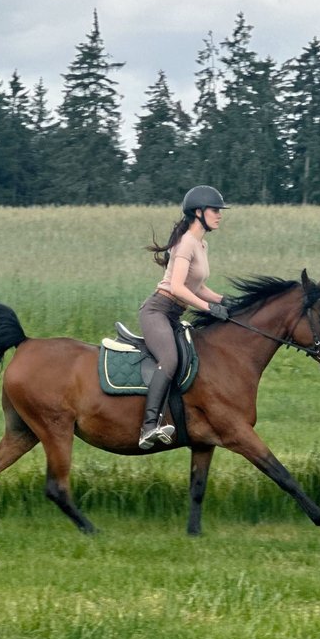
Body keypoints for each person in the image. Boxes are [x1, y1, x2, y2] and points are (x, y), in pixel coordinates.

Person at [136, 185, 231, 448]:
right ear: (198, 212)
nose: (219, 215)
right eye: (215, 210)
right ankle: (148, 427)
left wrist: (222, 300)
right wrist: (208, 308)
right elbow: (177, 287)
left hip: (174, 314)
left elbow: (196, 286)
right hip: (157, 311)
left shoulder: (201, 244)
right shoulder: (187, 242)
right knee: (169, 359)